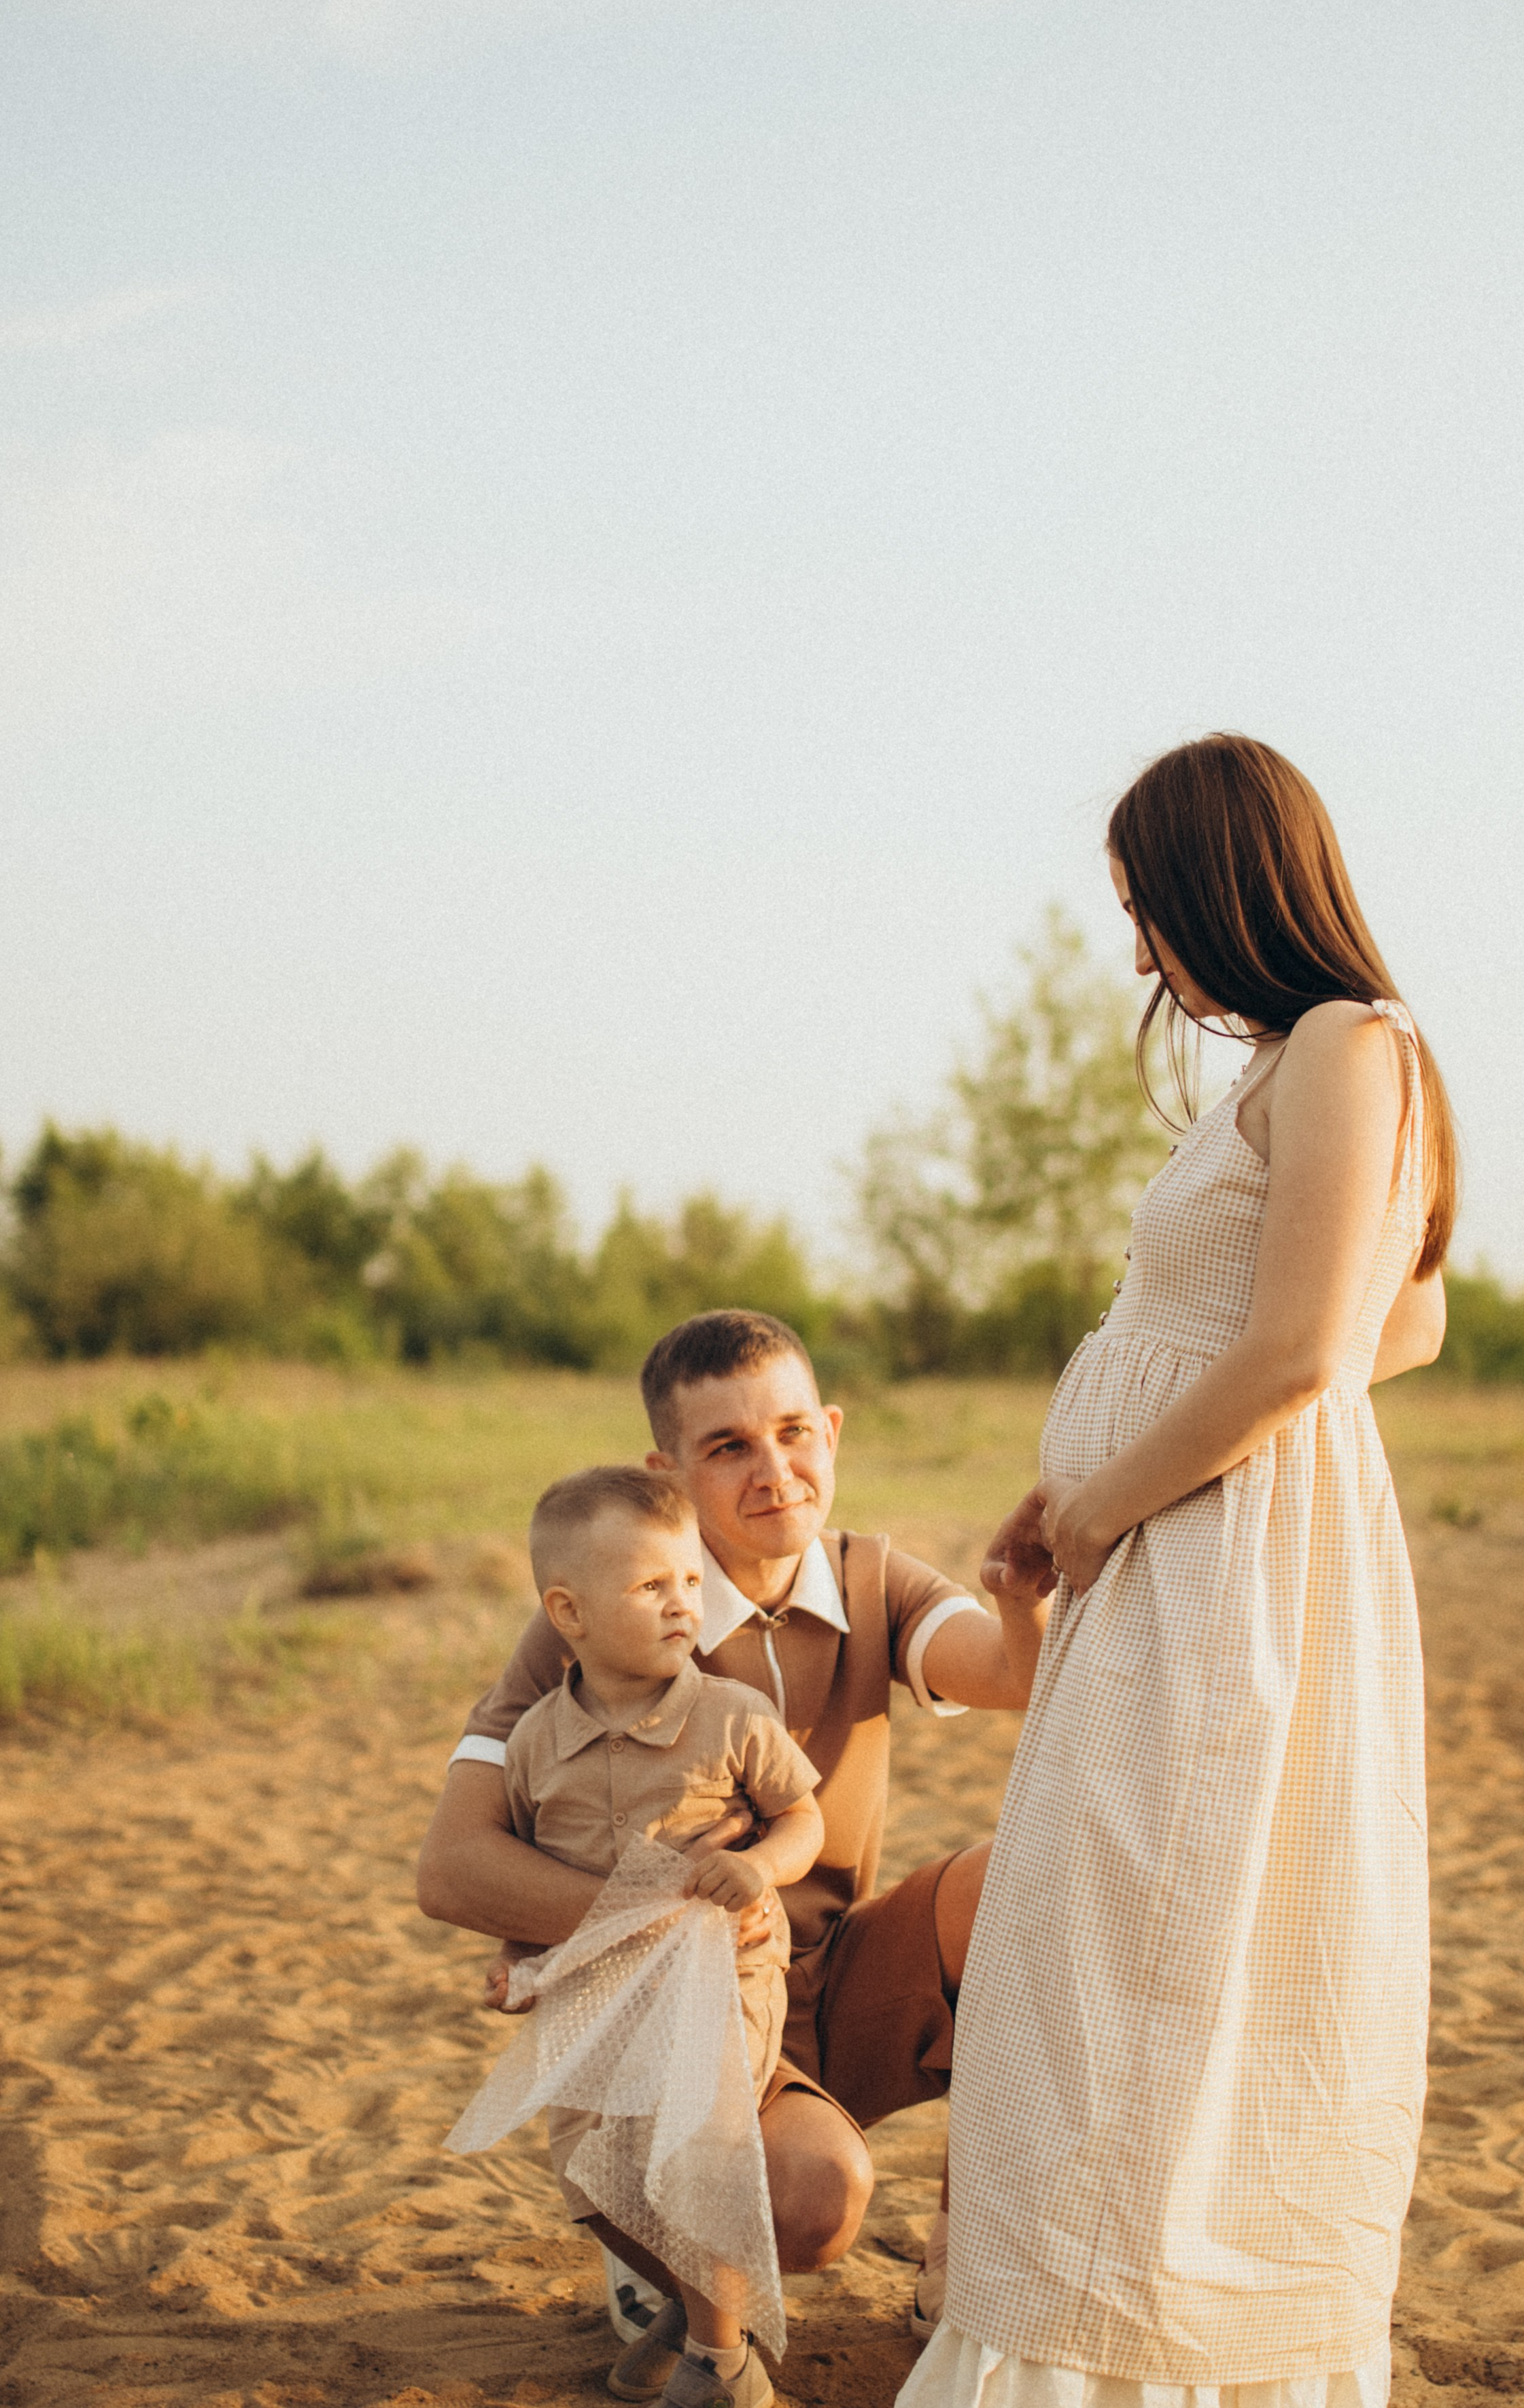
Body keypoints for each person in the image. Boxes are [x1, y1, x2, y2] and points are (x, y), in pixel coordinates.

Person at [901, 733, 1453, 2408]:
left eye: (1149, 908)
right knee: (1104, 1951)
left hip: (1217, 1571)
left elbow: (1308, 1346)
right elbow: (1387, 1323)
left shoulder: (1353, 1041)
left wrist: (1112, 1496)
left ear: (1231, 881)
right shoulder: (1297, 1064)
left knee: (1140, 1958)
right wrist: (1085, 1474)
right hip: (1179, 1547)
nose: (1141, 952)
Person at [416, 1308, 1054, 2390]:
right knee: (810, 2207)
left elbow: (1012, 1676)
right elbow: (453, 1866)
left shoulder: (871, 1580)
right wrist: (666, 1910)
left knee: (1027, 1877)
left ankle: (961, 2253)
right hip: (678, 2010)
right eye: (728, 1447)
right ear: (664, 1470)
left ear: (833, 1432)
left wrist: (1019, 1604)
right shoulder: (598, 1619)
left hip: (829, 1977)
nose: (775, 1471)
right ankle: (668, 2241)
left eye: (794, 1430)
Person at [453, 1462, 823, 2408]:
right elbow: (523, 1873)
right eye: (652, 1585)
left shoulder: (732, 1714)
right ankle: (697, 2306)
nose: (683, 1603)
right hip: (602, 1980)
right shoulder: (536, 1740)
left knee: (693, 2140)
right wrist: (513, 1964)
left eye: (691, 1580)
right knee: (589, 2169)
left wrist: (763, 1865)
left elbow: (801, 1819)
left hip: (721, 1967)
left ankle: (719, 2361)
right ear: (568, 1612)